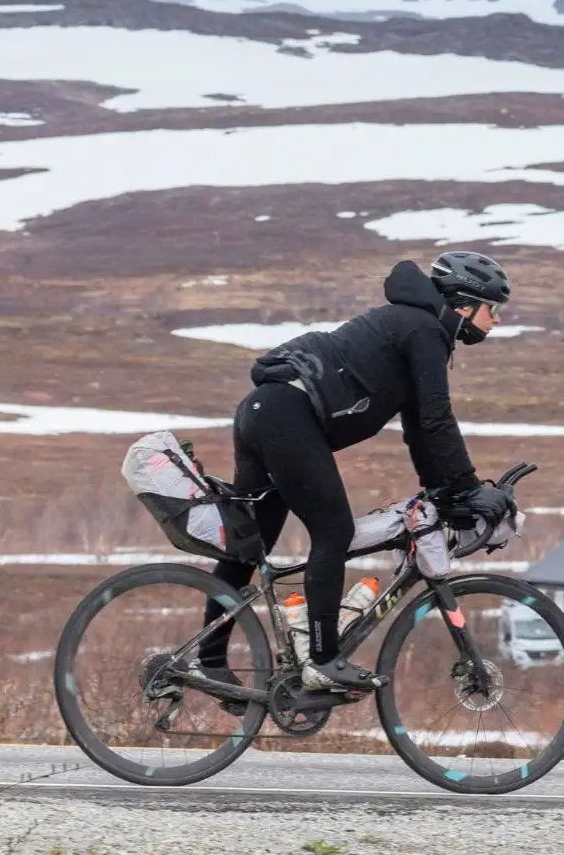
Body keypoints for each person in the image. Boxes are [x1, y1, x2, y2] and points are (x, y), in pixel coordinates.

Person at [201, 251, 511, 691]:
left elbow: (421, 429)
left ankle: (206, 661)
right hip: (287, 416)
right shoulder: (424, 330)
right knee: (334, 532)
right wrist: (467, 487)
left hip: (263, 413)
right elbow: (437, 417)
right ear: (463, 305)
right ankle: (323, 661)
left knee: (249, 550)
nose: (496, 321)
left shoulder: (411, 324)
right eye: (492, 309)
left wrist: (449, 491)